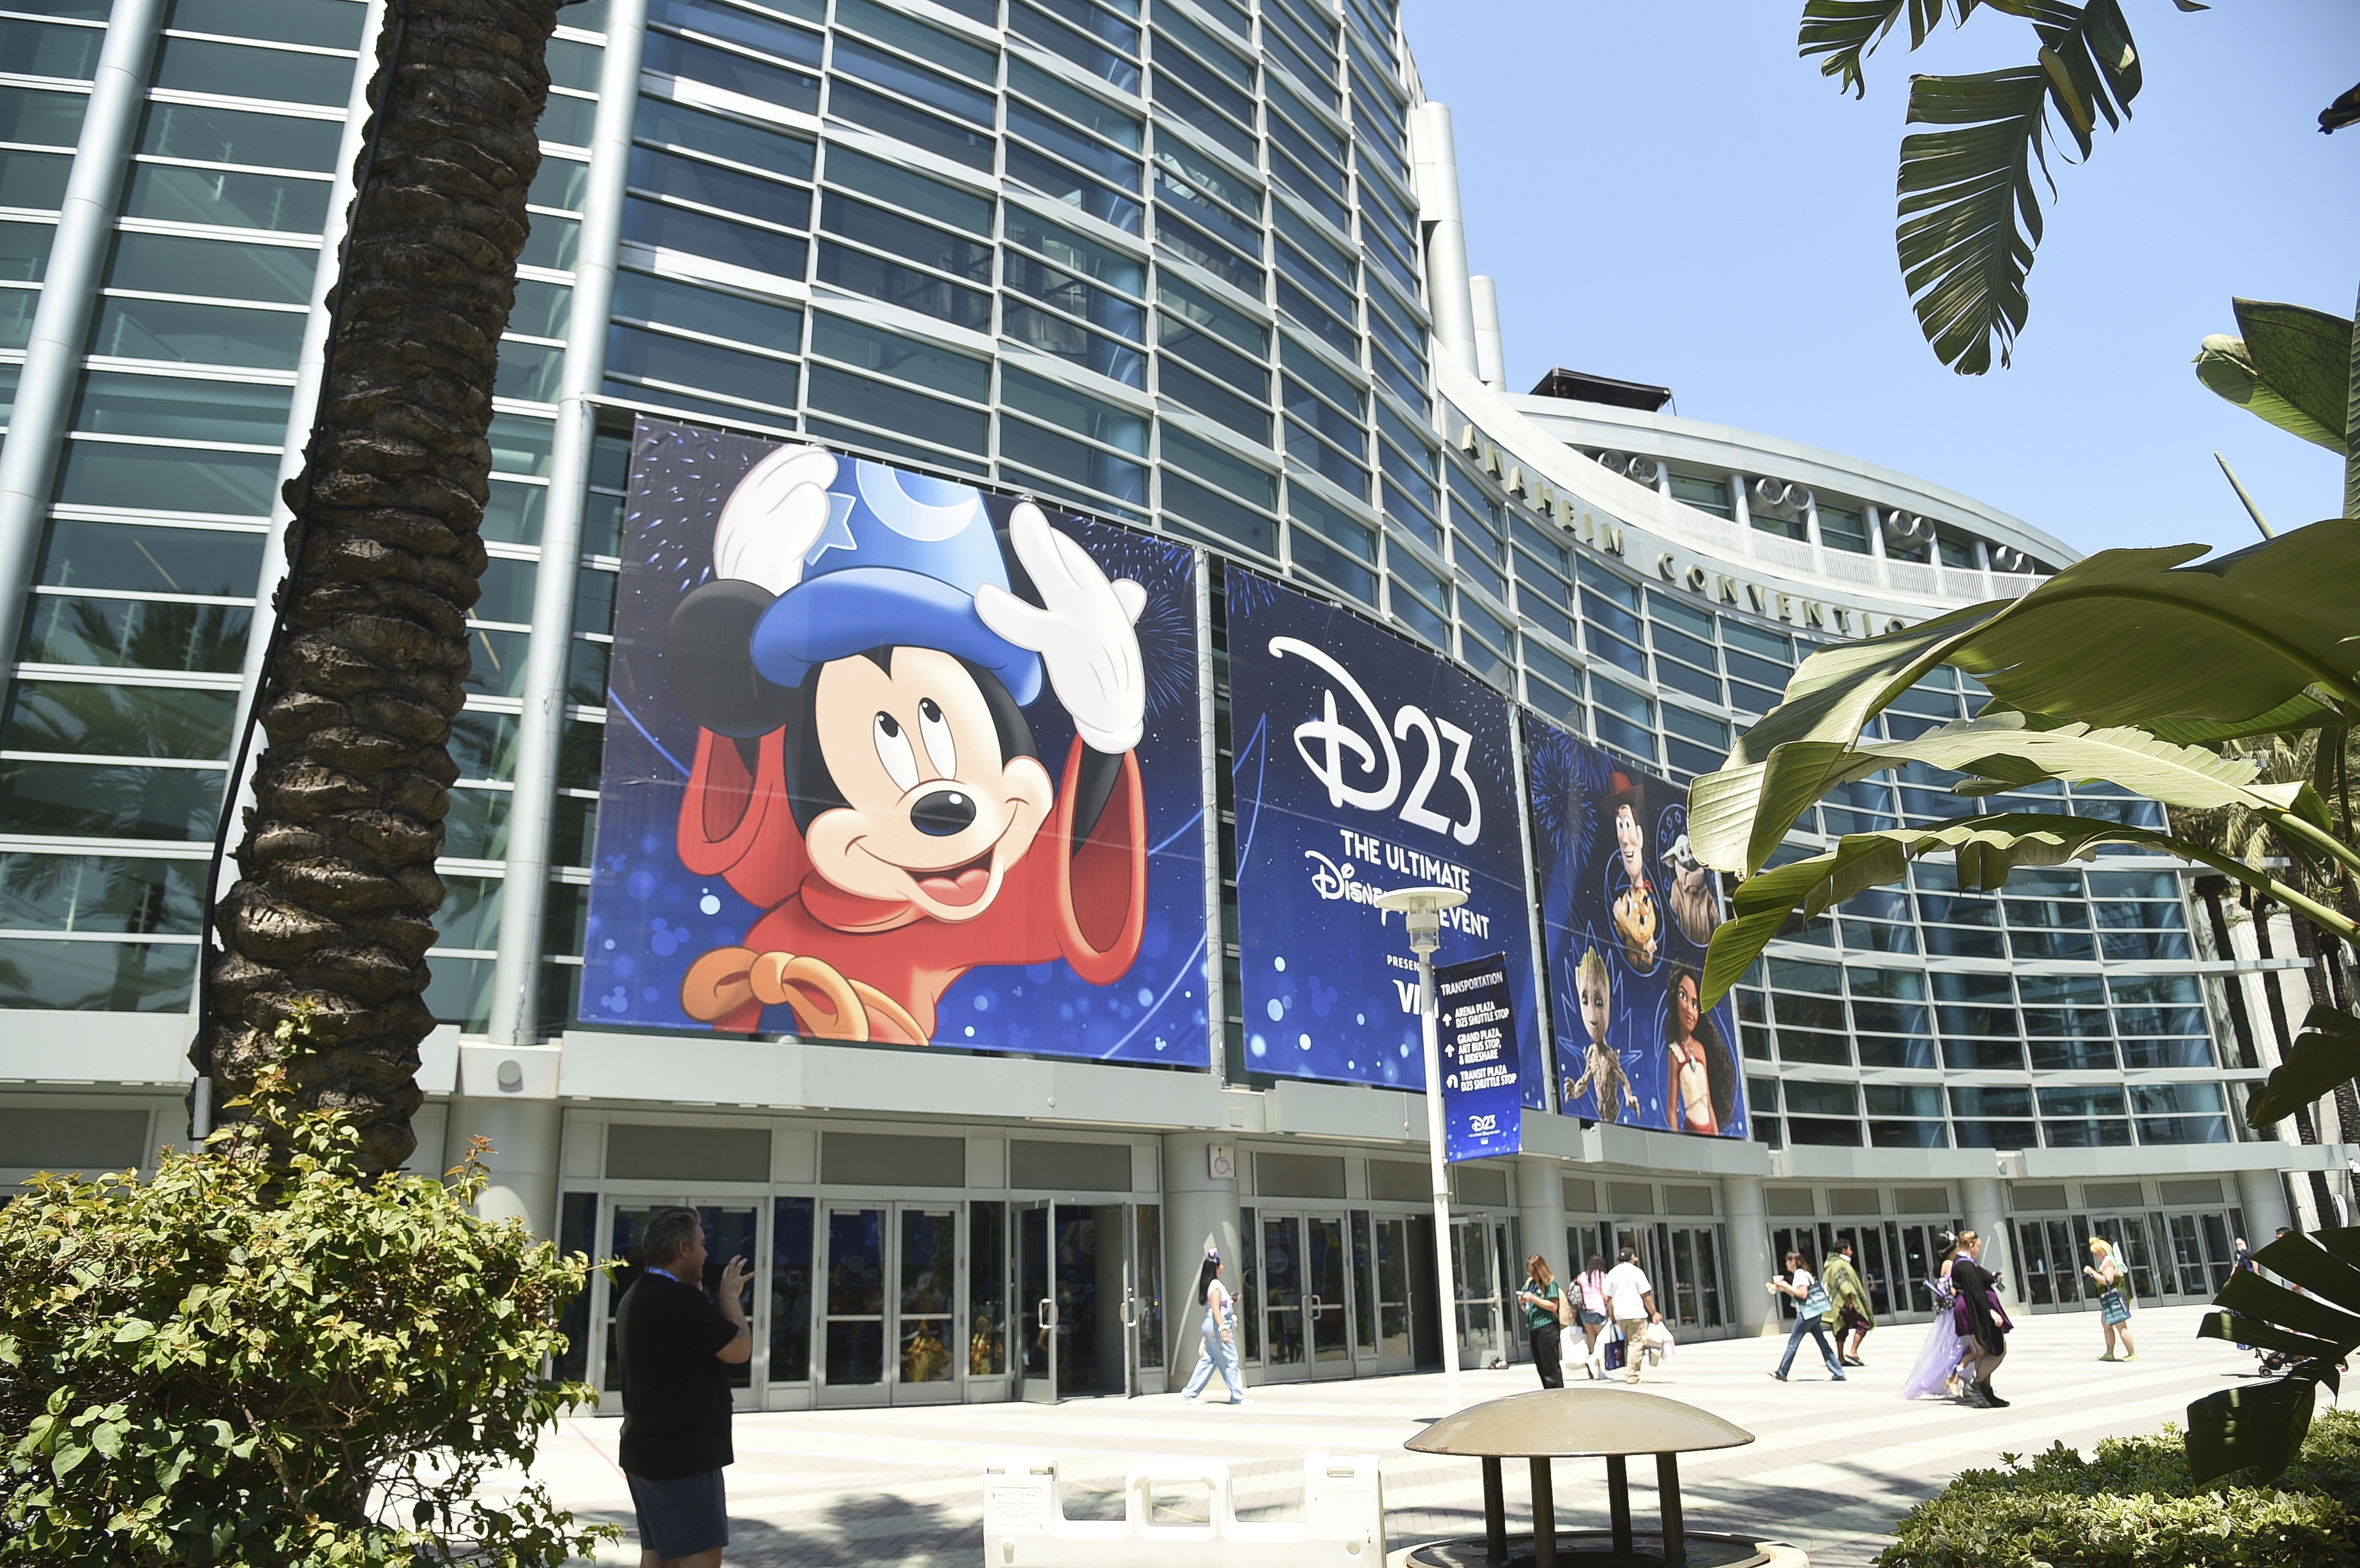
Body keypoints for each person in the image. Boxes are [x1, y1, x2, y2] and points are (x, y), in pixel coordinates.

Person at [614, 1207, 752, 1568]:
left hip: (646, 1452)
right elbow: (739, 1349)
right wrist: (729, 1299)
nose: (708, 1254)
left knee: (658, 1556)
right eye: (702, 1244)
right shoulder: (678, 1300)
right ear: (683, 1248)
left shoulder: (637, 1295)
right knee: (698, 1556)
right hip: (684, 1457)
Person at [1561, 946, 1634, 1124]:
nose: (1592, 1013)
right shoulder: (1592, 1055)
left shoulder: (1609, 1056)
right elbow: (1586, 1080)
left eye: (1599, 1002)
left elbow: (1623, 1078)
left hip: (1612, 1109)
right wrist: (1574, 1091)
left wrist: (1629, 1096)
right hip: (1601, 1110)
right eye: (1585, 1001)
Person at [1662, 966, 1735, 1136]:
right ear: (1674, 999)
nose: (1689, 1009)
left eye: (1695, 1004)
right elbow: (1672, 1109)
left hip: (1709, 1128)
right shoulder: (1674, 1053)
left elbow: (1708, 1101)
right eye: (1683, 997)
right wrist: (1677, 1141)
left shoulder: (1701, 1049)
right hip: (1691, 1131)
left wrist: (1717, 1137)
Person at [1901, 1230, 1967, 1403]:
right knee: (1958, 1347)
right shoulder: (1949, 1264)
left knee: (1957, 1347)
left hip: (1948, 1311)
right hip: (1954, 1311)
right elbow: (1952, 1288)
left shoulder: (1944, 1264)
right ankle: (1954, 1381)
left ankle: (1958, 1381)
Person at [1948, 1230, 2013, 1408]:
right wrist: (1991, 1311)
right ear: (1971, 1246)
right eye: (1977, 1247)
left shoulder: (1965, 1264)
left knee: (1983, 1352)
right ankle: (1976, 1386)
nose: (1978, 1250)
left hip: (1970, 1306)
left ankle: (1985, 1392)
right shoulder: (1965, 1266)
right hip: (1974, 1308)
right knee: (1998, 1350)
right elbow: (1976, 1292)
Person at [1181, 1249, 1247, 1405]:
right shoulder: (1216, 1285)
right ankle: (1238, 1396)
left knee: (1209, 1359)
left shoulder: (1211, 1285)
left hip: (1211, 1325)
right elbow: (1216, 1309)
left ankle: (1189, 1392)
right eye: (1221, 1264)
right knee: (1231, 1360)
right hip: (1218, 1324)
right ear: (1217, 1268)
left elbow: (1216, 1307)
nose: (1223, 1266)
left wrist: (1231, 1301)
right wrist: (1223, 1329)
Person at [1767, 1250, 1845, 1382]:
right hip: (1814, 1313)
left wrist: (1786, 1285)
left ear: (1794, 1262)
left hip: (1807, 1314)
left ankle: (1782, 1372)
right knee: (1823, 1343)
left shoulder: (1799, 1274)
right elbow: (1800, 1293)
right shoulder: (1804, 1273)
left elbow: (1803, 1295)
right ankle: (1838, 1372)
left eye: (1787, 1261)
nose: (1786, 1264)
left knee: (1793, 1343)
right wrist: (1784, 1289)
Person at [1601, 1246, 1663, 1385]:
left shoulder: (1612, 1272)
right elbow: (1646, 1295)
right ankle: (1632, 1375)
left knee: (1629, 1343)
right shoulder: (1637, 1272)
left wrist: (1611, 1314)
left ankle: (1632, 1371)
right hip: (1636, 1312)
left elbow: (1607, 1297)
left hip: (1620, 1314)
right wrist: (1654, 1312)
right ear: (1633, 1257)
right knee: (1637, 1343)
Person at [2084, 1237, 2138, 1362]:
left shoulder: (2108, 1262)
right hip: (2110, 1297)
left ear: (2102, 1252)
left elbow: (2108, 1280)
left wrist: (2092, 1273)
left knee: (2120, 1324)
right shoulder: (2108, 1261)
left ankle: (2132, 1353)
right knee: (2106, 1323)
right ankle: (2109, 1352)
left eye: (2096, 1253)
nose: (2096, 1256)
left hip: (2115, 1297)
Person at [1822, 1237, 1875, 1367]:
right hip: (1845, 1302)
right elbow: (1843, 1283)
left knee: (1842, 1329)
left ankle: (1840, 1358)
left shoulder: (1833, 1264)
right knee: (1864, 1324)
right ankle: (1853, 1352)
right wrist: (1848, 1299)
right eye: (1850, 1249)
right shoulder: (1840, 1264)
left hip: (1836, 1303)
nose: (1852, 1252)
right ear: (1844, 1250)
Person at [1515, 1255, 1566, 1388]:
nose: (1531, 1274)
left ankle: (1557, 1393)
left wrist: (1534, 1299)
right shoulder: (1530, 1283)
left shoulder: (1550, 1283)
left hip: (1547, 1328)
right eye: (1529, 1271)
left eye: (1533, 1271)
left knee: (1551, 1366)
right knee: (1541, 1366)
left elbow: (1553, 1306)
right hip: (1534, 1328)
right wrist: (1523, 1301)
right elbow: (1526, 1305)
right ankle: (1547, 1391)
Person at [1571, 1254, 1611, 1377]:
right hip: (1598, 1310)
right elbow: (1605, 1295)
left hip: (1584, 1311)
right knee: (1602, 1342)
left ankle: (1595, 1368)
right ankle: (1598, 1368)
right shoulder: (1602, 1276)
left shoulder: (1582, 1276)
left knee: (1593, 1342)